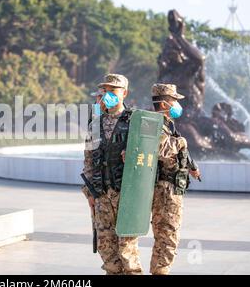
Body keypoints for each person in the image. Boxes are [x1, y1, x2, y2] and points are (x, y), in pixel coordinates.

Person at [81, 74, 143, 275]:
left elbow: (149, 155)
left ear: (124, 93)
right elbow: (89, 160)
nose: (109, 95)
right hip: (101, 195)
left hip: (126, 195)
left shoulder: (135, 122)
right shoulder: (95, 125)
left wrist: (133, 155)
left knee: (128, 251)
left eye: (113, 91)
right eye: (106, 91)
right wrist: (89, 192)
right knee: (106, 250)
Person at [150, 83, 201, 275]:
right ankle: (160, 271)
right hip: (165, 189)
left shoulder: (167, 124)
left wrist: (191, 167)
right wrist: (180, 142)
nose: (177, 104)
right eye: (174, 101)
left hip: (170, 187)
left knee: (166, 235)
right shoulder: (155, 124)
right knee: (167, 235)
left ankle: (160, 270)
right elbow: (159, 150)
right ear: (164, 104)